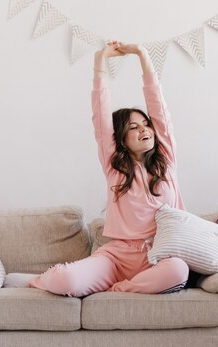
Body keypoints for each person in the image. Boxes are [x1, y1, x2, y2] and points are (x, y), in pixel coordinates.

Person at [28, 41, 188, 297]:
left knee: (179, 271)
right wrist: (100, 62)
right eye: (133, 128)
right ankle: (37, 281)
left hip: (160, 256)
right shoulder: (115, 166)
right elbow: (101, 117)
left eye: (145, 124)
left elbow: (159, 109)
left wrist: (142, 55)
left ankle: (121, 290)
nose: (144, 129)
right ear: (121, 139)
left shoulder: (166, 158)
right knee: (66, 281)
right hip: (116, 258)